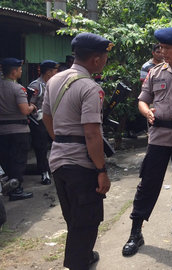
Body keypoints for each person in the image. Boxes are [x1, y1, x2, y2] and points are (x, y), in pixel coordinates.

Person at [122, 27, 172, 257]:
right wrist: (146, 112)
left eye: (167, 48)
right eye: (160, 47)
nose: (162, 51)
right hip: (158, 137)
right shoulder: (155, 72)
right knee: (148, 182)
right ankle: (135, 231)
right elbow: (142, 100)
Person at [42, 32, 113, 269]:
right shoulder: (90, 87)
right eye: (104, 56)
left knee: (73, 217)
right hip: (81, 165)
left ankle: (83, 257)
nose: (105, 60)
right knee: (86, 221)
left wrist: (61, 141)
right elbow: (92, 133)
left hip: (58, 160)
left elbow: (46, 118)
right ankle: (78, 263)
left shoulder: (53, 81)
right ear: (95, 59)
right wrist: (101, 169)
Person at [0, 58, 35, 201]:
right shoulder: (18, 88)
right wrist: (33, 106)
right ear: (14, 72)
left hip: (2, 131)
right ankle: (16, 190)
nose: (21, 71)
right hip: (18, 131)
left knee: (6, 160)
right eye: (20, 69)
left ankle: (7, 188)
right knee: (18, 161)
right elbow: (25, 110)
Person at [28, 60, 59, 185]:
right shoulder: (36, 85)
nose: (57, 73)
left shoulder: (54, 84)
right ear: (49, 72)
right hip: (39, 122)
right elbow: (29, 103)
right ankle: (44, 172)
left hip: (53, 121)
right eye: (55, 71)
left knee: (57, 144)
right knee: (41, 148)